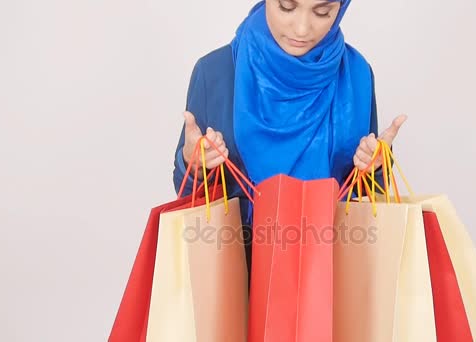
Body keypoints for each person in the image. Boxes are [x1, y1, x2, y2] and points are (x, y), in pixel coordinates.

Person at [172, 0, 406, 273]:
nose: (302, 28)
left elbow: (365, 199)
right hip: (238, 276)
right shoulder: (216, 71)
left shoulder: (357, 75)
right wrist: (195, 163)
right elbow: (188, 196)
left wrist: (375, 167)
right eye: (286, 7)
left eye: (322, 12)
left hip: (331, 273)